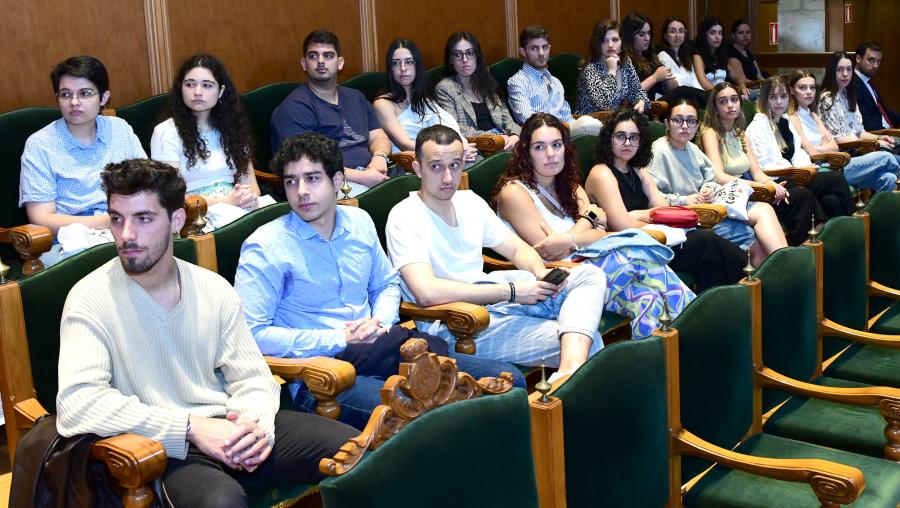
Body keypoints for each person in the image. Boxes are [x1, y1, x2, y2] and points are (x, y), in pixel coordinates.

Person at [56, 158, 357, 507]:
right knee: (221, 502)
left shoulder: (212, 288)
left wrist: (252, 428)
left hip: (230, 424)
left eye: (144, 218)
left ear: (177, 220)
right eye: (117, 219)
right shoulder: (89, 299)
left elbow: (252, 378)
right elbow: (78, 404)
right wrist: (190, 428)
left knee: (353, 451)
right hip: (158, 446)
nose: (126, 235)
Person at [234, 132, 523, 429]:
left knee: (508, 380)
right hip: (326, 375)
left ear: (336, 182)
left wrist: (381, 322)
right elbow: (252, 335)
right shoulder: (266, 246)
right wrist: (340, 338)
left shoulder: (359, 223)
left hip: (381, 350)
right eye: (291, 181)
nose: (301, 191)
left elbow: (386, 284)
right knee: (419, 414)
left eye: (312, 178)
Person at [386, 125, 607, 381]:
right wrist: (512, 291)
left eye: (455, 165)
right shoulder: (404, 216)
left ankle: (568, 373)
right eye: (436, 166)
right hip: (458, 322)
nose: (448, 177)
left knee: (589, 276)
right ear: (417, 169)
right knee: (587, 341)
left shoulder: (469, 202)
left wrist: (540, 273)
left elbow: (517, 248)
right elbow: (427, 293)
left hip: (495, 297)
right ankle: (562, 394)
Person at [493, 113, 694, 338]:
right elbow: (548, 251)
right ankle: (701, 328)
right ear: (526, 152)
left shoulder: (572, 187)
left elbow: (601, 234)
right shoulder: (514, 193)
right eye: (539, 147)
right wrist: (587, 221)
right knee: (637, 255)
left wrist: (569, 239)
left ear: (565, 148)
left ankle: (667, 365)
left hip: (594, 272)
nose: (550, 154)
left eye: (556, 145)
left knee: (649, 299)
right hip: (554, 284)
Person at [585, 108, 746, 290]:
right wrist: (651, 220)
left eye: (634, 137)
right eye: (620, 136)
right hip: (632, 248)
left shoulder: (638, 170)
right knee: (706, 241)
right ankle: (751, 282)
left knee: (710, 261)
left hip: (655, 238)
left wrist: (638, 214)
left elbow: (666, 212)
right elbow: (622, 225)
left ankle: (729, 301)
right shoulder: (602, 173)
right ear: (609, 139)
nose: (627, 143)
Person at [648, 99, 787, 266]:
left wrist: (709, 188)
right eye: (678, 120)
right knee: (756, 241)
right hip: (687, 216)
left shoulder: (692, 148)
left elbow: (712, 179)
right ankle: (780, 270)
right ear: (667, 123)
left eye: (691, 121)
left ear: (697, 125)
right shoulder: (658, 152)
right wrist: (687, 200)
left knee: (764, 210)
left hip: (710, 207)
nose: (685, 126)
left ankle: (782, 268)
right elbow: (654, 199)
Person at [20, 55, 145, 236]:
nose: (74, 102)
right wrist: (108, 221)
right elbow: (42, 219)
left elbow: (147, 185)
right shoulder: (40, 145)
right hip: (71, 241)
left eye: (85, 93)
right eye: (66, 94)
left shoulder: (120, 129)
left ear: (103, 98)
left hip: (127, 228)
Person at [700, 81, 837, 247]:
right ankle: (796, 249)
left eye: (734, 99)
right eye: (723, 101)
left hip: (750, 188)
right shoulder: (711, 133)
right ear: (715, 107)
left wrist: (771, 185)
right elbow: (719, 176)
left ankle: (802, 247)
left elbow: (757, 172)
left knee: (801, 194)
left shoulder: (740, 133)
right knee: (801, 196)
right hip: (730, 193)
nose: (730, 105)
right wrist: (764, 187)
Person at [271, 30, 392, 196]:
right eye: (313, 56)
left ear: (340, 63)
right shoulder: (293, 108)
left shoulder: (355, 97)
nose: (321, 61)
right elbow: (308, 165)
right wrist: (363, 177)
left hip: (373, 172)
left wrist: (379, 156)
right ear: (304, 64)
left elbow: (379, 137)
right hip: (331, 184)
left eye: (328, 55)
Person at [151, 54, 260, 212]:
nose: (197, 92)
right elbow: (172, 197)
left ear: (220, 91)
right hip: (194, 213)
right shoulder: (165, 132)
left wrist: (246, 197)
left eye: (207, 85)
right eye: (190, 84)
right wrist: (226, 201)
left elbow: (252, 186)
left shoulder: (233, 128)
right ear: (180, 88)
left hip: (238, 205)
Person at [744, 76, 852, 224]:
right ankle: (853, 226)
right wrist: (797, 171)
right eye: (773, 97)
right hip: (778, 180)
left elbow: (798, 153)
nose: (779, 102)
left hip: (795, 175)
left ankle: (837, 238)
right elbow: (764, 165)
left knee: (831, 200)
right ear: (765, 99)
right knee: (836, 178)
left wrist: (806, 167)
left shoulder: (786, 121)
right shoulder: (757, 126)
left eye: (783, 96)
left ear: (789, 98)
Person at [788, 69, 900, 193]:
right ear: (792, 90)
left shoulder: (813, 115)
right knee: (885, 157)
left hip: (833, 161)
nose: (809, 92)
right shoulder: (793, 118)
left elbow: (834, 147)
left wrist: (817, 147)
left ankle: (876, 212)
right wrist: (822, 146)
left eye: (812, 87)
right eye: (802, 88)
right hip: (822, 168)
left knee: (888, 178)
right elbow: (813, 155)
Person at [372, 38, 475, 163]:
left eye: (409, 62)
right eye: (396, 63)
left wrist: (461, 147)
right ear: (390, 69)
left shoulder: (423, 99)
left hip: (441, 157)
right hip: (410, 163)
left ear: (417, 66)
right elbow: (405, 144)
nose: (403, 68)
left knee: (477, 161)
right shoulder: (382, 104)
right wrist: (451, 152)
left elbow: (450, 126)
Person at [506, 25, 602, 136]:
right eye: (534, 48)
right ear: (523, 51)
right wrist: (562, 127)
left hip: (565, 134)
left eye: (545, 47)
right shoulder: (517, 82)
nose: (541, 53)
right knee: (590, 125)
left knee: (590, 125)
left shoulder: (555, 81)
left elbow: (567, 116)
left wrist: (573, 128)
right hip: (540, 135)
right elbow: (527, 118)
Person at [435, 32, 520, 152]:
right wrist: (492, 139)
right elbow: (454, 128)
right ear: (451, 60)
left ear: (477, 55)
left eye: (470, 53)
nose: (465, 60)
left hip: (504, 142)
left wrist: (515, 135)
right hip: (477, 148)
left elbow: (506, 117)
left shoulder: (486, 79)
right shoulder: (445, 88)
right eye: (457, 55)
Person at [817, 51, 900, 170]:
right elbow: (838, 139)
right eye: (839, 69)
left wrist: (878, 138)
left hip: (858, 148)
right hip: (844, 154)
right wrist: (874, 144)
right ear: (832, 72)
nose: (845, 74)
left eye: (849, 69)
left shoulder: (848, 94)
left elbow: (860, 132)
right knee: (890, 158)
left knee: (889, 177)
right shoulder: (827, 98)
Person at [622, 13, 708, 107]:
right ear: (630, 36)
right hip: (647, 105)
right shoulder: (626, 59)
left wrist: (668, 79)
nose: (647, 38)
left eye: (649, 33)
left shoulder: (651, 57)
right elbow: (627, 96)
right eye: (642, 34)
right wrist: (654, 78)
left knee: (683, 92)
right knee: (683, 91)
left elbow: (672, 89)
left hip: (661, 102)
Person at [575, 20, 649, 115]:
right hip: (592, 124)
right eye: (605, 41)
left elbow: (638, 92)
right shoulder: (590, 70)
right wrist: (612, 71)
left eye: (615, 40)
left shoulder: (625, 65)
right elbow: (604, 103)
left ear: (621, 42)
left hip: (615, 121)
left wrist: (641, 101)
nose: (610, 45)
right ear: (598, 44)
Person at [853, 41, 900, 131]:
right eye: (871, 60)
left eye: (878, 61)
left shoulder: (868, 81)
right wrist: (891, 133)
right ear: (858, 58)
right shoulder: (852, 84)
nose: (875, 66)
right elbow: (865, 123)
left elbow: (886, 113)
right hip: (878, 136)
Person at [657, 17, 704, 93]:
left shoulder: (686, 58)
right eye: (673, 31)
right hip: (679, 99)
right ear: (665, 35)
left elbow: (696, 83)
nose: (678, 35)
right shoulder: (662, 56)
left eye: (681, 31)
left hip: (693, 97)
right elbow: (676, 86)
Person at [692, 17, 731, 93]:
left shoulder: (721, 53)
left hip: (723, 94)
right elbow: (704, 84)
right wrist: (725, 91)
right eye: (712, 33)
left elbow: (735, 77)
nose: (717, 37)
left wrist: (741, 86)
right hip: (709, 95)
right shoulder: (697, 55)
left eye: (720, 33)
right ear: (704, 35)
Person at [726, 19, 764, 97]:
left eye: (748, 32)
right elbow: (744, 81)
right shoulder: (731, 54)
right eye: (741, 33)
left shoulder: (748, 53)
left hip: (755, 87)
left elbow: (759, 76)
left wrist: (769, 84)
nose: (745, 35)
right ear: (733, 35)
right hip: (745, 91)